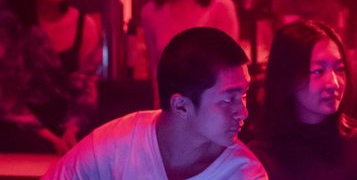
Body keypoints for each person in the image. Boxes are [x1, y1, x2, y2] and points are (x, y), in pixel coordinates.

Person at [44, 27, 267, 179]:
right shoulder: (117, 143)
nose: (243, 112)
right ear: (181, 105)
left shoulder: (244, 173)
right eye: (229, 99)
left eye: (244, 95)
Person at [1, 0, 101, 154]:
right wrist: (50, 138)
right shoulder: (12, 26)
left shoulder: (85, 25)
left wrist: (71, 130)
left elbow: (86, 89)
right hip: (25, 126)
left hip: (72, 123)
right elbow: (9, 96)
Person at [249, 20, 357, 180]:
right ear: (287, 77)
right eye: (318, 71)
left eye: (339, 69)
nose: (334, 83)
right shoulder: (259, 159)